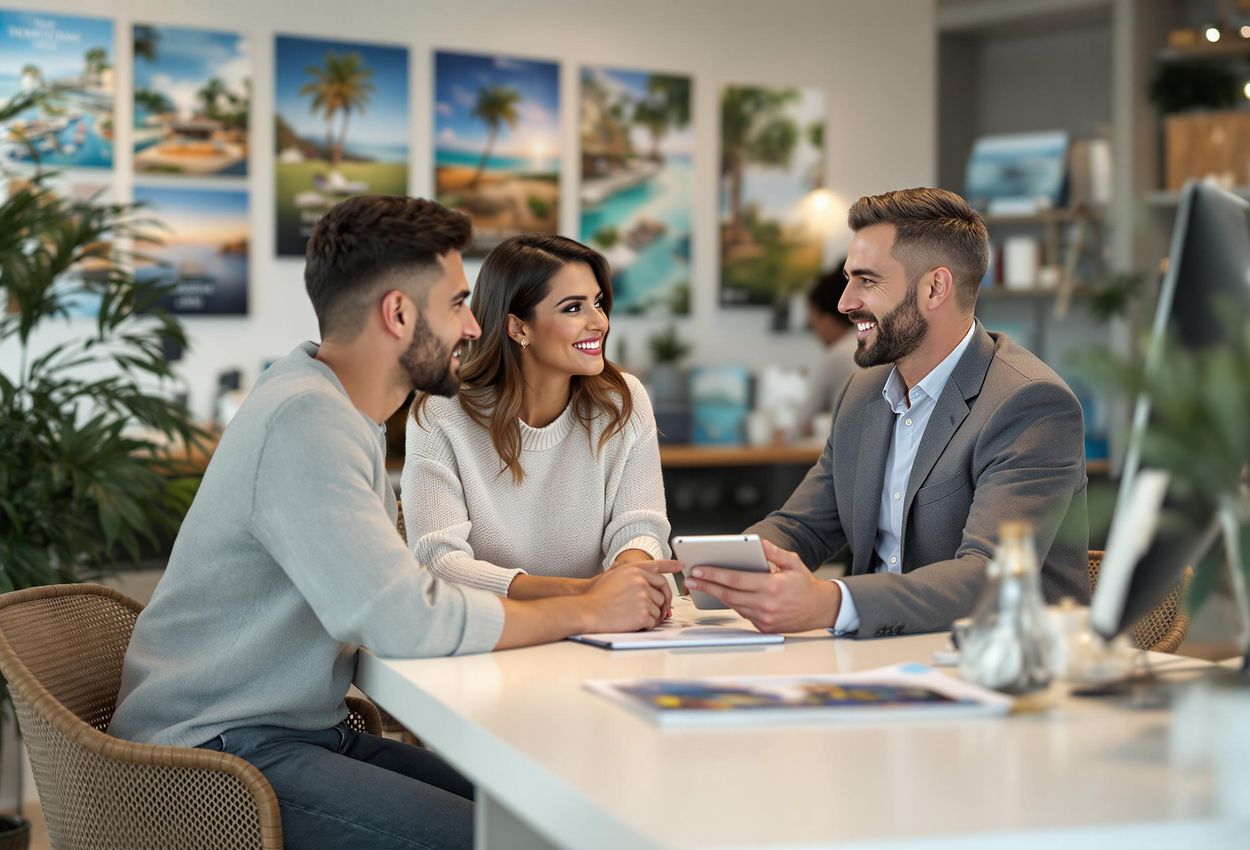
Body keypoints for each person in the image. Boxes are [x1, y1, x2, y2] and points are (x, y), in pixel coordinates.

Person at [108, 196, 679, 850]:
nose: (472, 327)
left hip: (293, 731)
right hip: (218, 755)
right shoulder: (306, 422)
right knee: (510, 837)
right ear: (400, 313)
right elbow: (405, 617)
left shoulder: (335, 408)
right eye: (458, 304)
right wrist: (586, 611)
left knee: (542, 814)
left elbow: (394, 594)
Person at [685, 187, 1089, 638]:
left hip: (1003, 671)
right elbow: (804, 525)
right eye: (848, 279)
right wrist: (715, 572)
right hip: (881, 659)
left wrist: (831, 602)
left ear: (935, 287)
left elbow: (990, 576)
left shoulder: (1029, 404)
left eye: (867, 281)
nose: (845, 302)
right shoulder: (864, 392)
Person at [403, 234, 672, 601]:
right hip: (496, 633)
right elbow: (439, 561)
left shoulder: (622, 400)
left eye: (597, 303)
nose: (600, 322)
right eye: (573, 308)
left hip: (600, 630)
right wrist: (586, 595)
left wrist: (629, 580)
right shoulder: (441, 412)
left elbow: (640, 526)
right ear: (518, 328)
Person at [793, 260, 859, 438]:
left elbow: (801, 424)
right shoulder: (871, 342)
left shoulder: (838, 356)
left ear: (827, 319)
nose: (817, 335)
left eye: (813, 326)